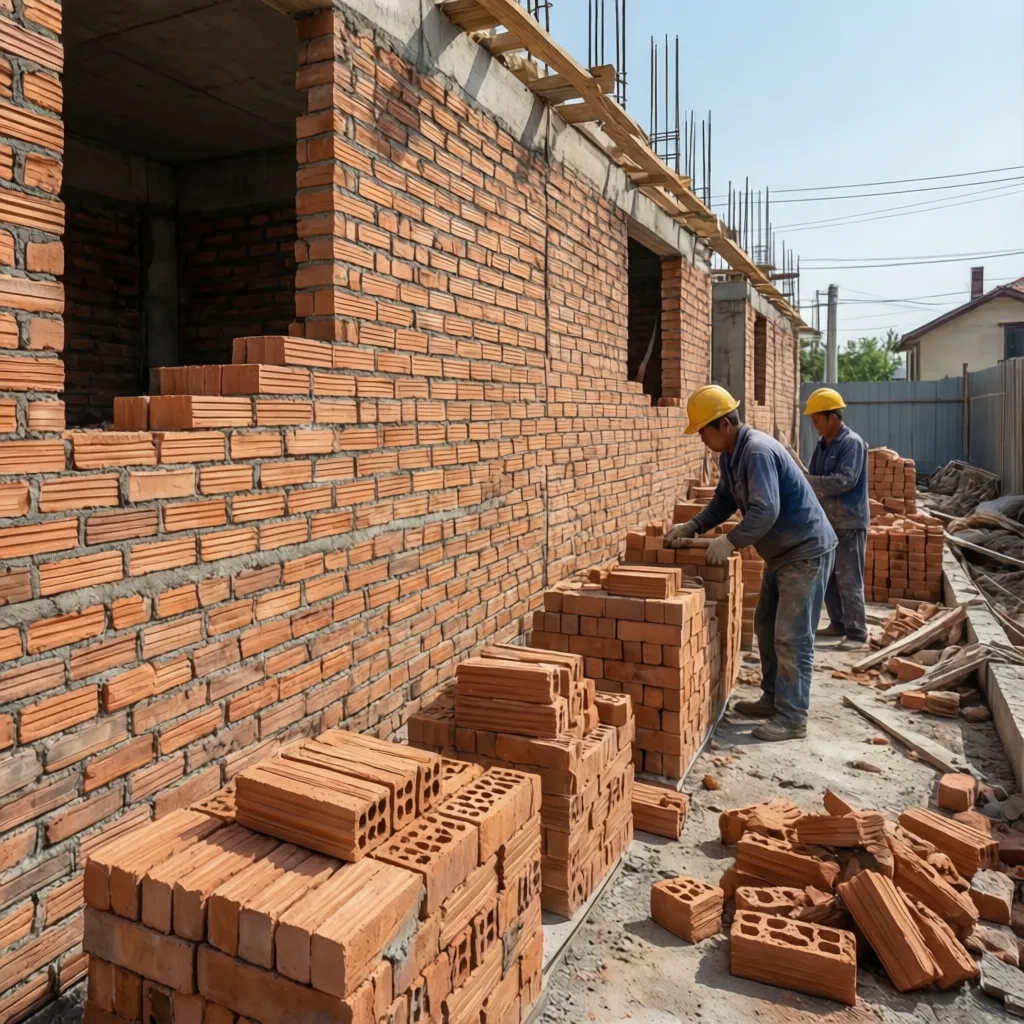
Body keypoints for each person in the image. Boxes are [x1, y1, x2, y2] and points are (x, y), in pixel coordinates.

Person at [665, 385, 837, 741]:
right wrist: (694, 525)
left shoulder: (757, 451)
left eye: (702, 431)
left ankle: (792, 718)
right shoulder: (731, 455)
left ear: (724, 425)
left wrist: (729, 541)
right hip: (782, 554)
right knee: (766, 625)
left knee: (791, 637)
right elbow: (724, 499)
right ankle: (774, 698)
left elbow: (766, 509)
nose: (700, 439)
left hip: (804, 551)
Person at [803, 387, 870, 650]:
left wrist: (810, 482)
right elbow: (812, 476)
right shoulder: (821, 447)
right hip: (828, 523)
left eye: (817, 418)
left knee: (849, 577)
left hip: (850, 522)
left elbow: (846, 480)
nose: (814, 424)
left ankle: (856, 633)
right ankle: (838, 623)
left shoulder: (851, 443)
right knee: (829, 576)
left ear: (833, 417)